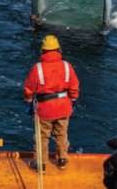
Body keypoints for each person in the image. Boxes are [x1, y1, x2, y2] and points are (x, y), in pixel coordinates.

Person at [23, 34, 80, 171]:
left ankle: (40, 164)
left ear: (43, 51)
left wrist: (29, 101)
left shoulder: (38, 68)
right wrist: (72, 100)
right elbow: (74, 86)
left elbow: (28, 89)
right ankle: (62, 160)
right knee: (61, 134)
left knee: (42, 137)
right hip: (64, 107)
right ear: (58, 49)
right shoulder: (67, 66)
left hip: (45, 109)